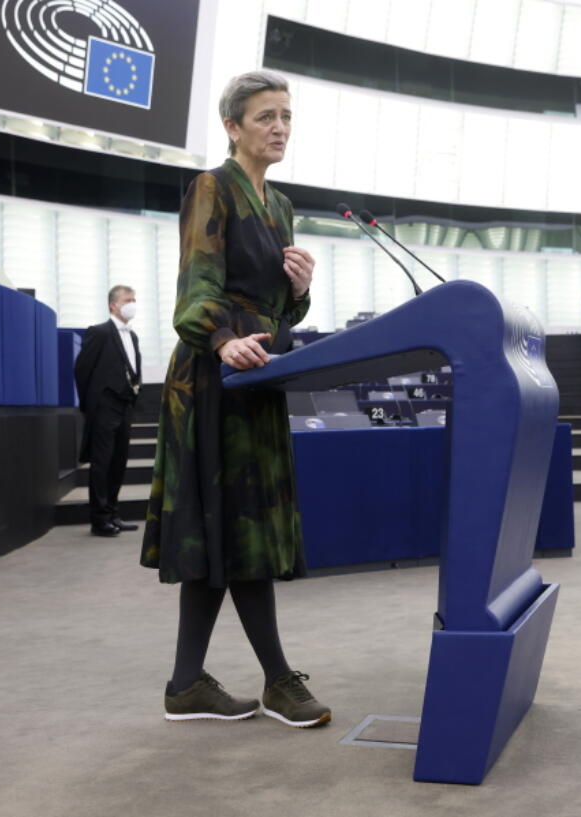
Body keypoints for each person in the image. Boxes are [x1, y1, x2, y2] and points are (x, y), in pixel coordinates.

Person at [141, 71, 330, 728]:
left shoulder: (280, 207)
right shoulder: (211, 187)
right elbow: (197, 288)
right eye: (264, 117)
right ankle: (279, 679)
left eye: (285, 115)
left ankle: (187, 682)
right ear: (232, 127)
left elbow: (280, 307)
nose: (278, 126)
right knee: (238, 522)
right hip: (215, 375)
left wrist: (301, 290)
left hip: (258, 374)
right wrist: (222, 339)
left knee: (223, 527)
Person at [74, 285, 143, 536]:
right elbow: (82, 369)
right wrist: (91, 405)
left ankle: (113, 513)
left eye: (134, 299)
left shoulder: (132, 336)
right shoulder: (99, 332)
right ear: (113, 305)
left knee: (118, 461)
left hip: (125, 404)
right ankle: (99, 518)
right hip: (104, 406)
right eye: (128, 300)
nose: (132, 304)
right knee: (101, 463)